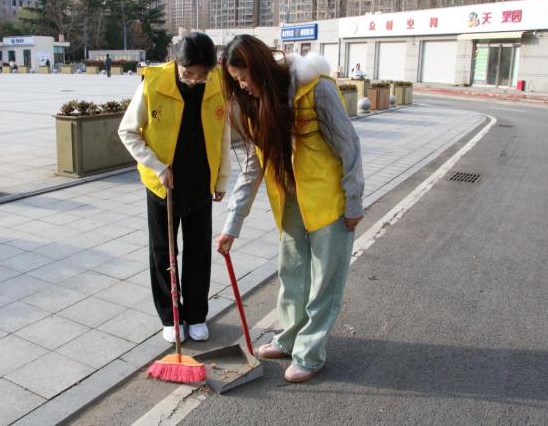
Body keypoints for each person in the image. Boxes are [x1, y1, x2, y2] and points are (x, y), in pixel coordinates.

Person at [216, 35, 364, 383]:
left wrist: (354, 200)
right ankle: (288, 338)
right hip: (291, 202)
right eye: (236, 81)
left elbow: (349, 146)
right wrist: (231, 225)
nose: (242, 87)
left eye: (243, 78)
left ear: (260, 68)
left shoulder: (316, 89)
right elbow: (253, 167)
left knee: (325, 282)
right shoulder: (256, 105)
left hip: (329, 201)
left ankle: (310, 354)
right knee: (292, 274)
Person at [119, 32, 231, 343]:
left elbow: (223, 135)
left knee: (199, 252)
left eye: (201, 74)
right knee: (164, 252)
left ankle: (196, 315)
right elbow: (128, 131)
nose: (195, 80)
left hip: (200, 183)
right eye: (188, 73)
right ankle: (171, 317)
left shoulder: (217, 84)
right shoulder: (153, 83)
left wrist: (221, 179)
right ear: (176, 62)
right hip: (163, 186)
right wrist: (157, 167)